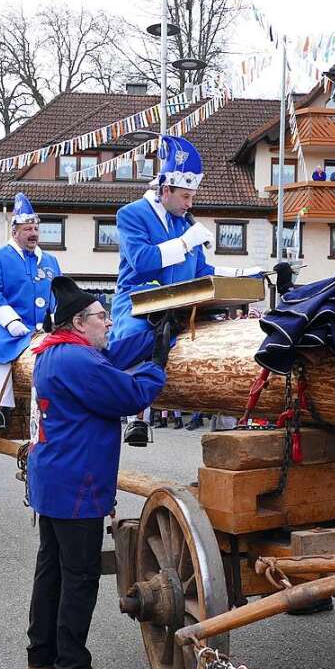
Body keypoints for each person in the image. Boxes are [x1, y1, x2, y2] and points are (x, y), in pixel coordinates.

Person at [26, 276, 168, 669]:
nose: (108, 323)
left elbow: (111, 358)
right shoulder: (80, 361)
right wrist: (157, 362)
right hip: (77, 484)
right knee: (80, 576)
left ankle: (41, 653)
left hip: (54, 479)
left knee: (50, 567)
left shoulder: (54, 353)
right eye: (102, 317)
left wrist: (146, 336)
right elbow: (129, 394)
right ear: (78, 322)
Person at [109, 134, 263, 445]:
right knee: (137, 336)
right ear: (166, 190)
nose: (190, 204)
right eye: (185, 196)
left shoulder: (182, 221)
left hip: (182, 305)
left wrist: (247, 273)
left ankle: (227, 413)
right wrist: (183, 243)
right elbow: (142, 261)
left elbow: (203, 271)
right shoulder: (131, 214)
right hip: (139, 302)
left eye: (192, 197)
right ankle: (136, 414)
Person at [0, 193, 62, 429]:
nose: (33, 233)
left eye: (35, 228)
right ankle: (0, 407)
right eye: (27, 229)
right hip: (6, 324)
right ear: (14, 231)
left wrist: (57, 318)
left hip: (42, 326)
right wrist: (11, 321)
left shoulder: (50, 260)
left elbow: (58, 295)